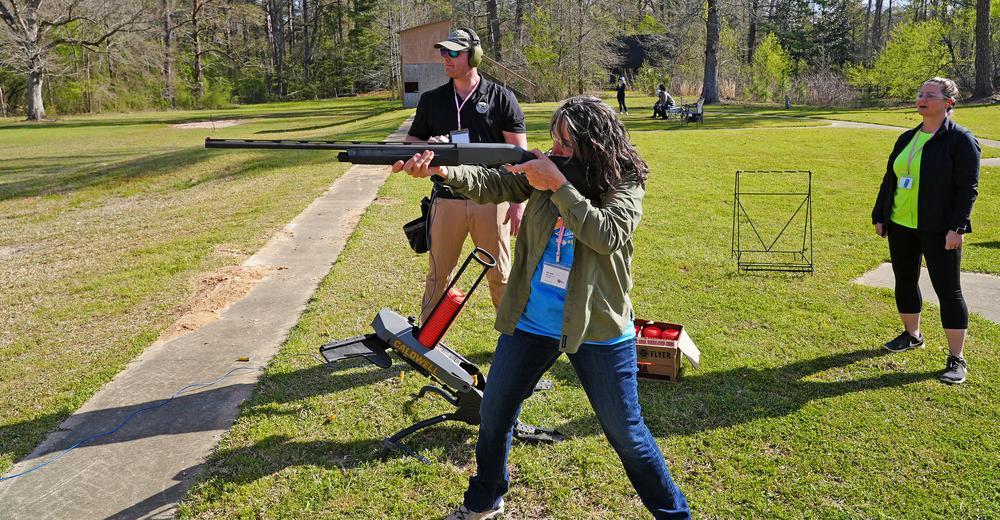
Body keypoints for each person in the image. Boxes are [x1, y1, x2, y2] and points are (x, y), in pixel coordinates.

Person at [393, 96, 690, 519]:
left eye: (566, 144)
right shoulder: (546, 170)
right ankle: (484, 502)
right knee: (495, 413)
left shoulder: (624, 181)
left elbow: (606, 234)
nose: (555, 151)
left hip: (596, 326)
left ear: (595, 144)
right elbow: (493, 182)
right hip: (531, 320)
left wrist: (559, 186)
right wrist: (442, 169)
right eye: (553, 140)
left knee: (626, 434)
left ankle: (675, 515)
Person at [406, 28, 528, 323]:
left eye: (452, 52)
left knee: (500, 275)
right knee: (438, 277)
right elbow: (412, 142)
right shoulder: (431, 100)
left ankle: (513, 342)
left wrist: (517, 203)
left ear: (473, 56)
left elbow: (518, 155)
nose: (445, 58)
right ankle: (427, 344)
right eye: (443, 52)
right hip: (446, 200)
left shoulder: (502, 98)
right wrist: (428, 148)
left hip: (491, 199)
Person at [871, 77, 980, 384]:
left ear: (949, 103)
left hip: (939, 229)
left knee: (949, 291)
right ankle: (911, 334)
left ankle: (956, 358)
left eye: (929, 95)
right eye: (920, 94)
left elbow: (967, 188)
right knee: (905, 280)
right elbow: (890, 179)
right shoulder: (907, 138)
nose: (922, 99)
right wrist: (881, 214)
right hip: (902, 225)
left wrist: (957, 227)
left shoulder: (961, 140)